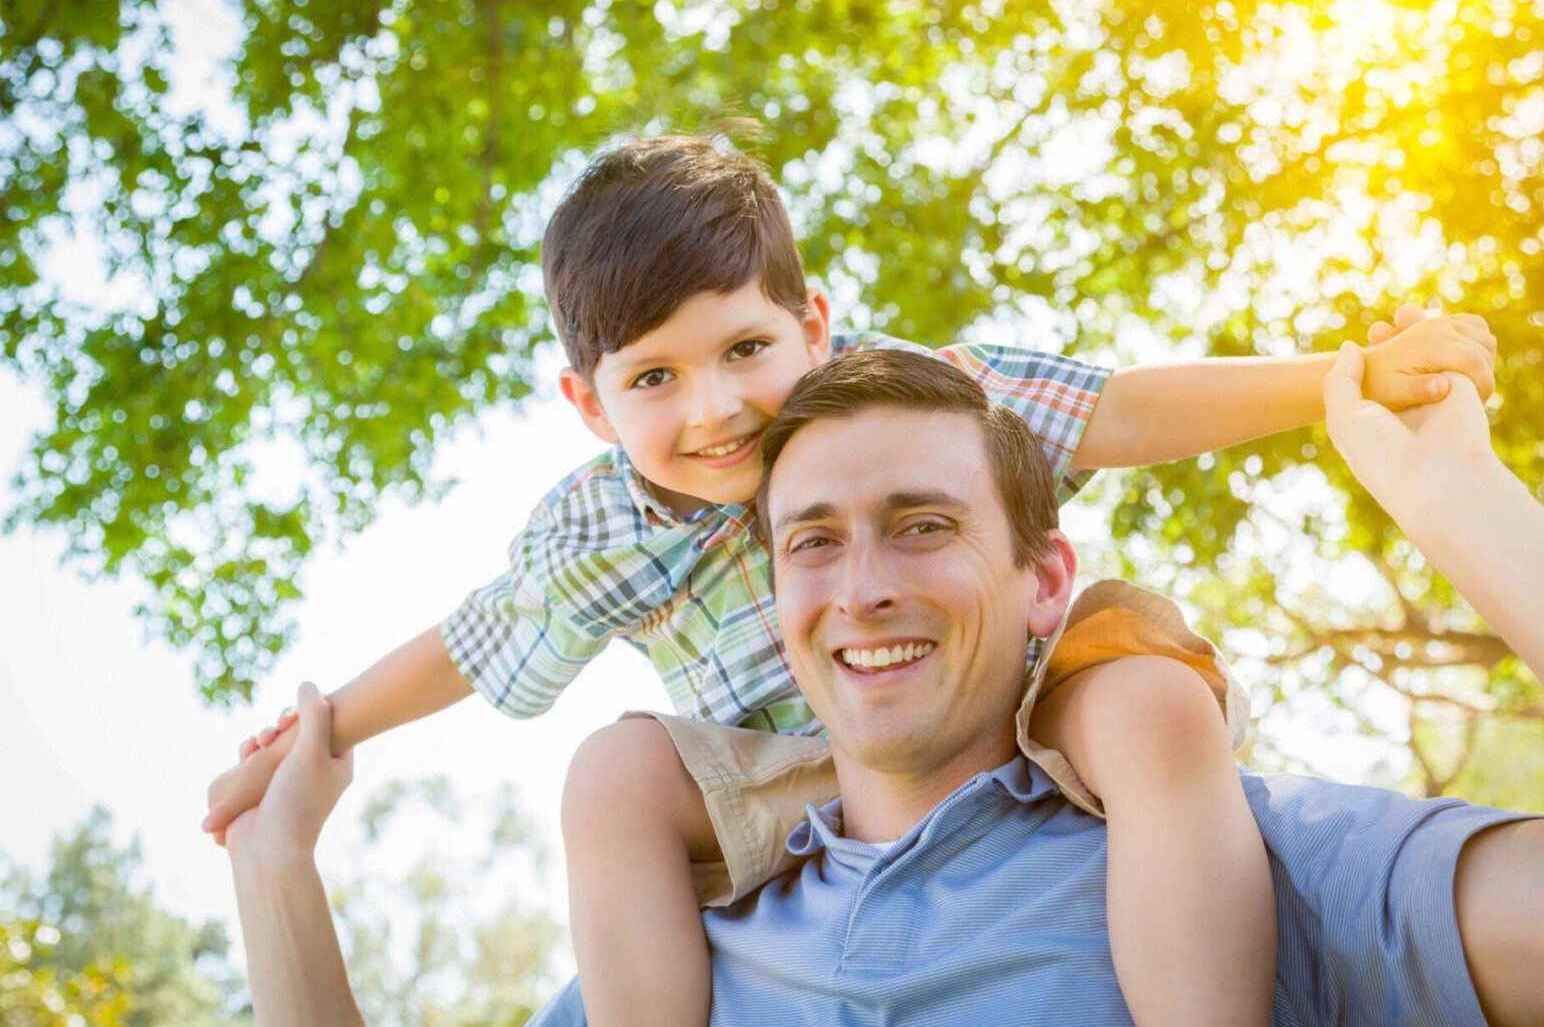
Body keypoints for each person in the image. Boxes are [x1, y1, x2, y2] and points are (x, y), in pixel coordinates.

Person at [205, 134, 1498, 1027]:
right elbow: (473, 644)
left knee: (1151, 703)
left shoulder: (924, 406)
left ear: (814, 326)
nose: (715, 410)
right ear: (588, 406)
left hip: (1026, 694)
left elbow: (1120, 408)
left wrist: (1341, 383)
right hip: (787, 775)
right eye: (654, 378)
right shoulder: (600, 530)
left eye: (744, 350)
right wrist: (316, 740)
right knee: (613, 775)